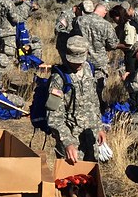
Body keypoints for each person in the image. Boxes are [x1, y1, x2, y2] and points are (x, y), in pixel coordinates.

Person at [46, 35, 107, 163]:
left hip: (91, 136)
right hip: (72, 139)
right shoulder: (59, 79)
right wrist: (67, 143)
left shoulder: (89, 69)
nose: (78, 64)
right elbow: (53, 116)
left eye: (80, 59)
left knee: (91, 178)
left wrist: (99, 127)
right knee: (70, 180)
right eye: (74, 60)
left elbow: (94, 101)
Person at [72, 0, 122, 105]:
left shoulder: (79, 21)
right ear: (104, 11)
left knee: (81, 88)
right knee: (98, 90)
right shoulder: (106, 25)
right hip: (99, 62)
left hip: (81, 59)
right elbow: (113, 44)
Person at [109, 4, 138, 77]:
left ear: (120, 15)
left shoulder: (129, 26)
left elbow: (128, 45)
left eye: (115, 17)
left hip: (133, 56)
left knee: (131, 76)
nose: (114, 19)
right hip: (129, 55)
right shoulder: (121, 26)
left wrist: (115, 45)